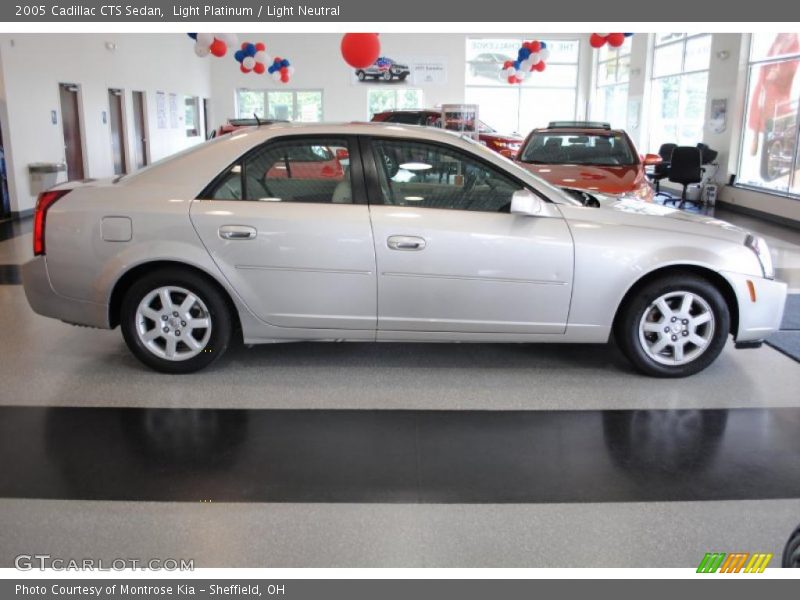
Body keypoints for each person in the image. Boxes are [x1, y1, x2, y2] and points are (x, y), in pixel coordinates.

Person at [747, 33, 799, 156]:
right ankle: (756, 138)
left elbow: (792, 65)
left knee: (772, 116)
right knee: (758, 111)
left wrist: (778, 72)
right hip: (765, 84)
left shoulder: (794, 42)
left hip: (777, 89)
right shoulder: (778, 39)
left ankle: (773, 145)